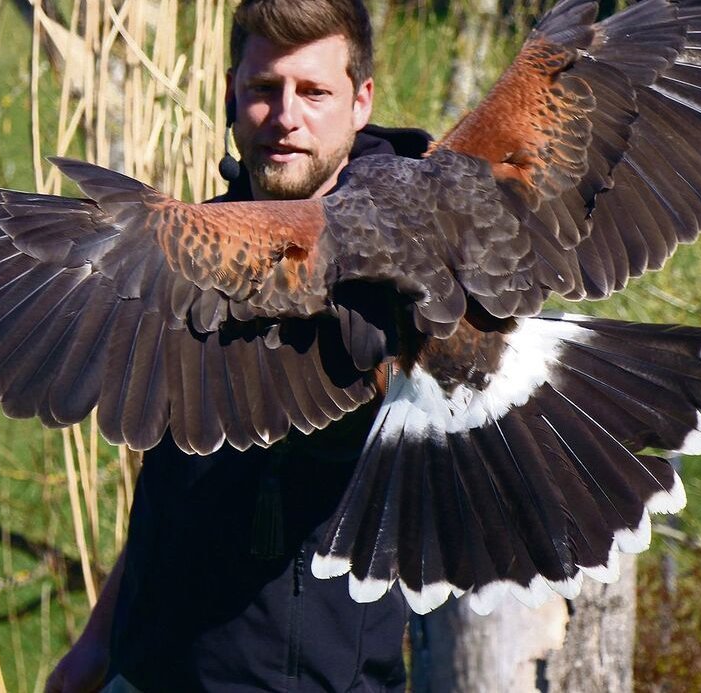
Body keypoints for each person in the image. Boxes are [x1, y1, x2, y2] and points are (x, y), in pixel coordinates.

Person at [44, 1, 430, 690]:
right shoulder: (191, 251)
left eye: (314, 92)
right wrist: (96, 643)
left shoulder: (421, 261)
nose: (285, 116)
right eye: (263, 89)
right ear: (230, 93)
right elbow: (172, 477)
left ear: (360, 101)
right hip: (148, 671)